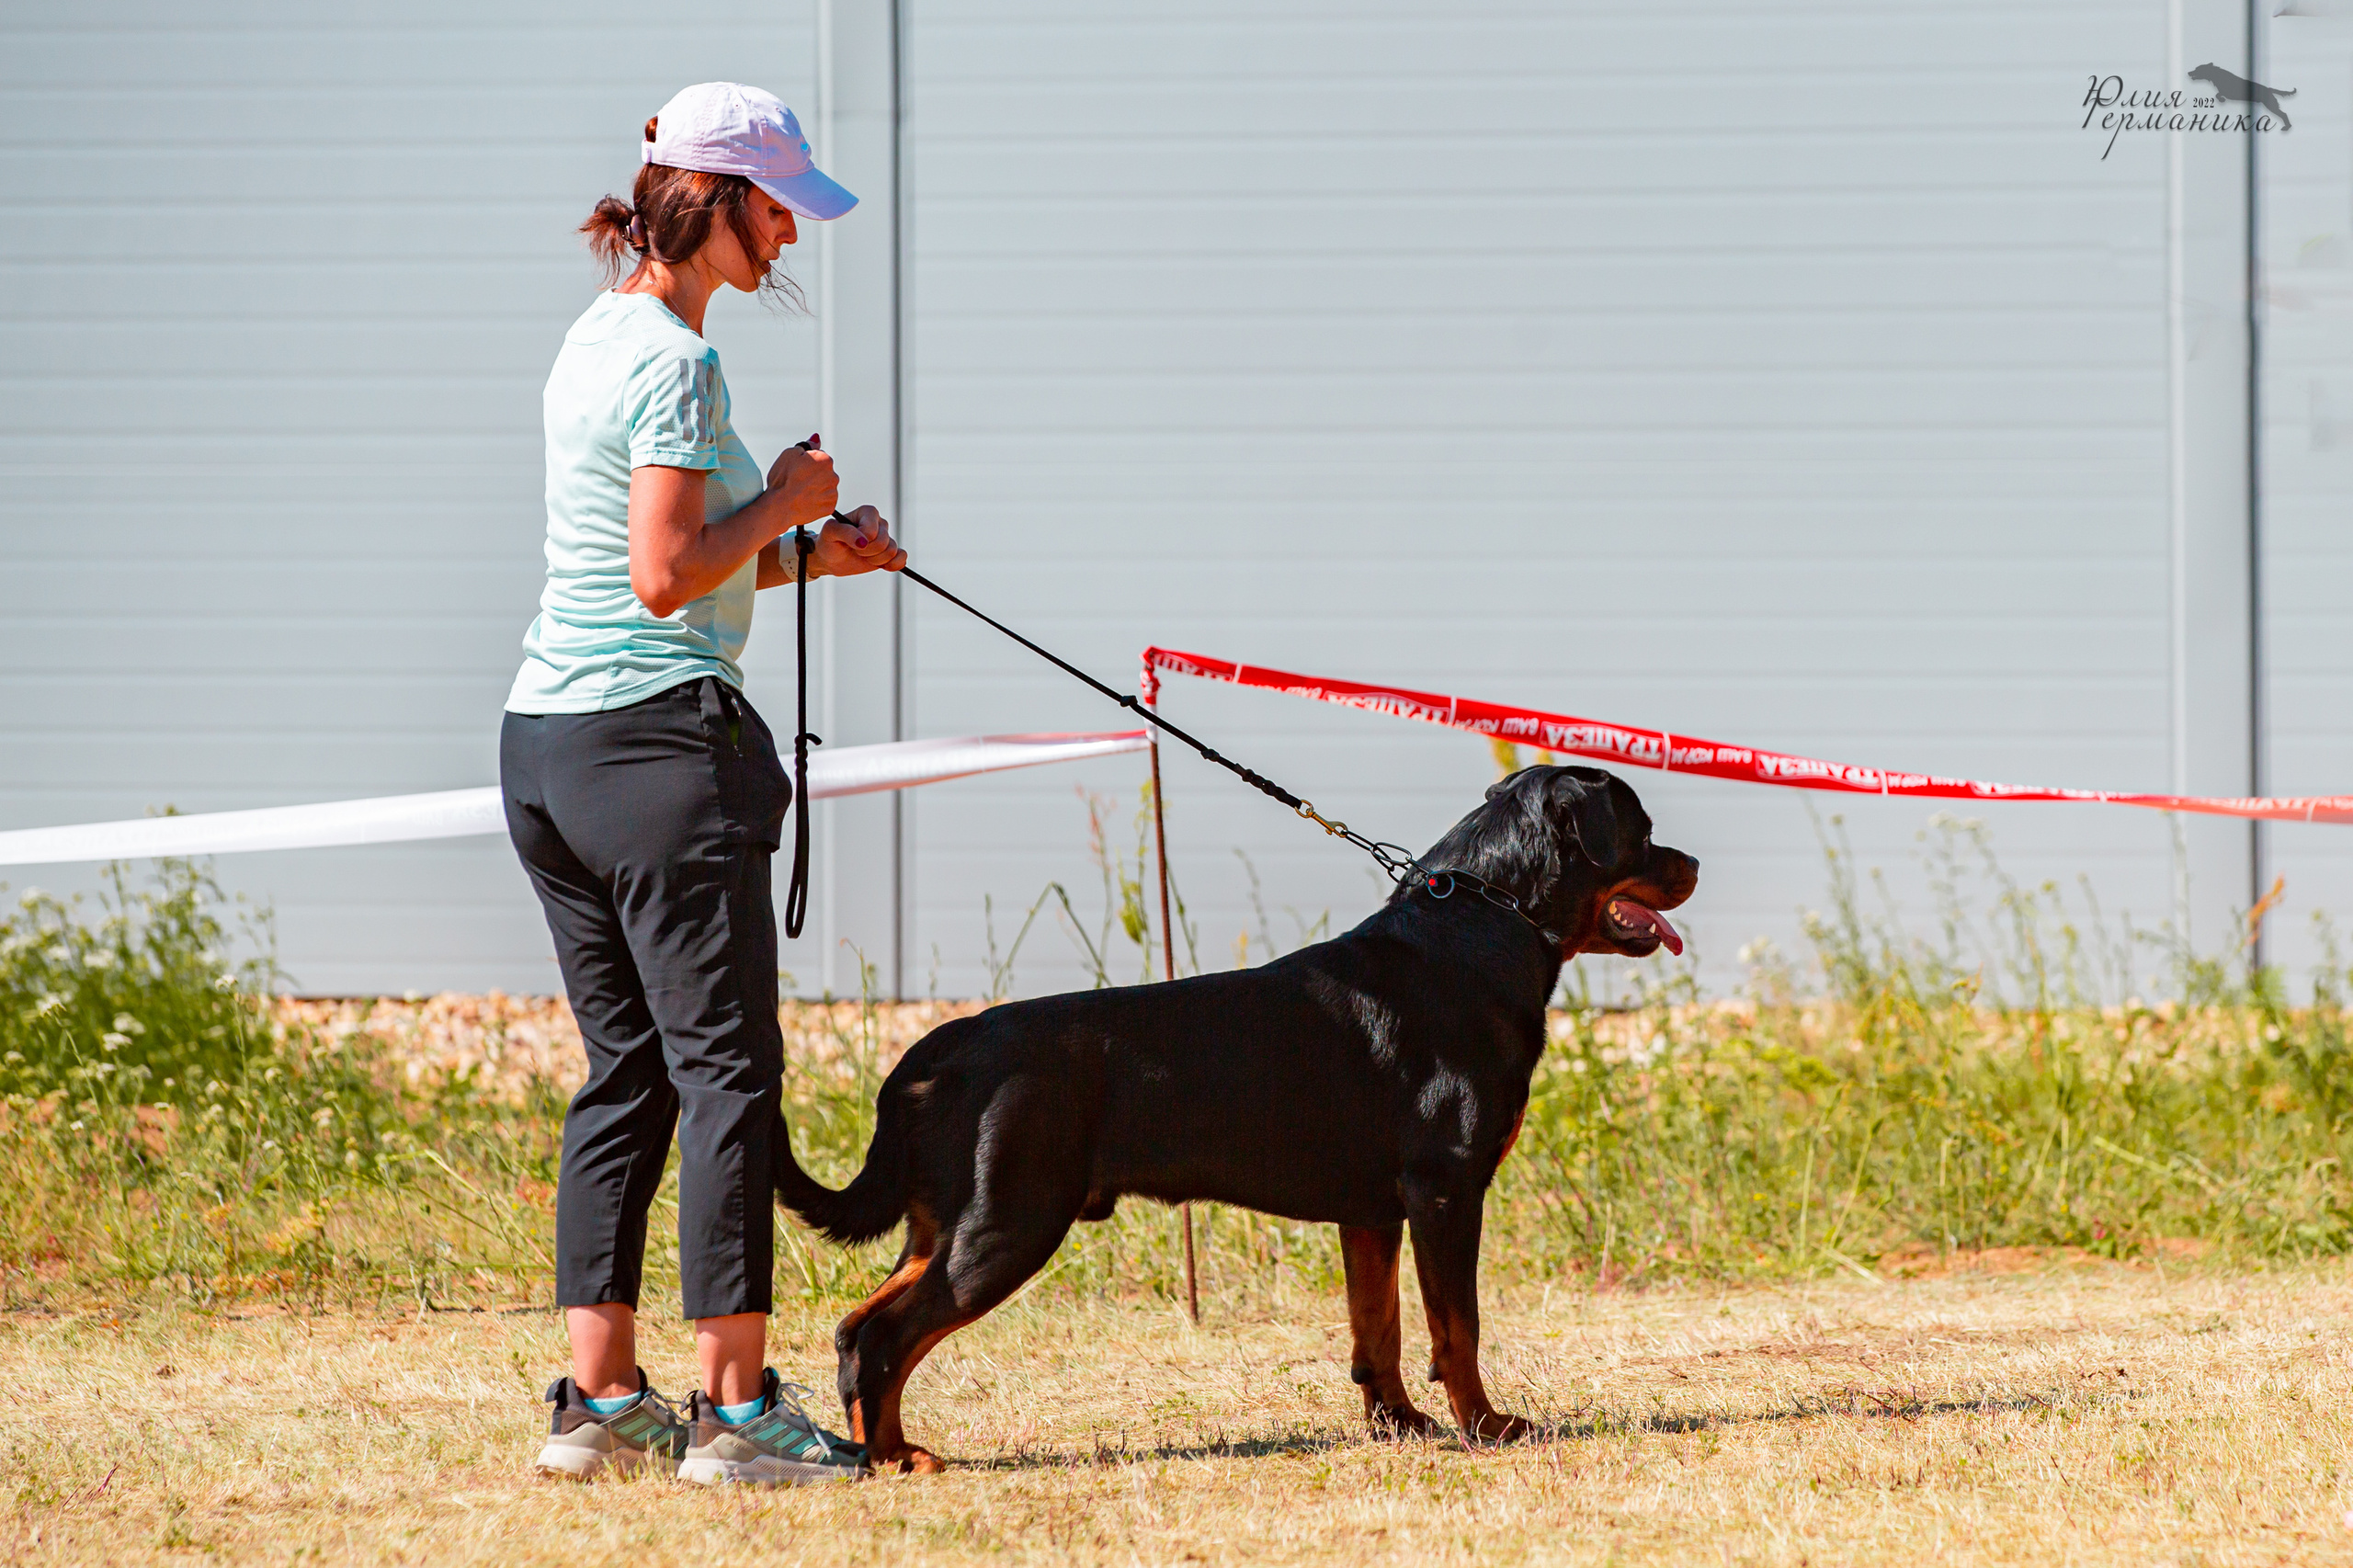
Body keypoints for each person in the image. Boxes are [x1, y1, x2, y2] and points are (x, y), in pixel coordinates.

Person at [499, 82, 904, 1486]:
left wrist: (806, 556)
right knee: (728, 1072)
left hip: (549, 749)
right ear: (713, 202)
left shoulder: (596, 335)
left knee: (632, 1072)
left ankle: (602, 1405)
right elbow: (668, 575)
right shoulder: (680, 362)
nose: (791, 229)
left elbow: (663, 567)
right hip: (659, 756)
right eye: (778, 201)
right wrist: (788, 504)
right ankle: (737, 1414)